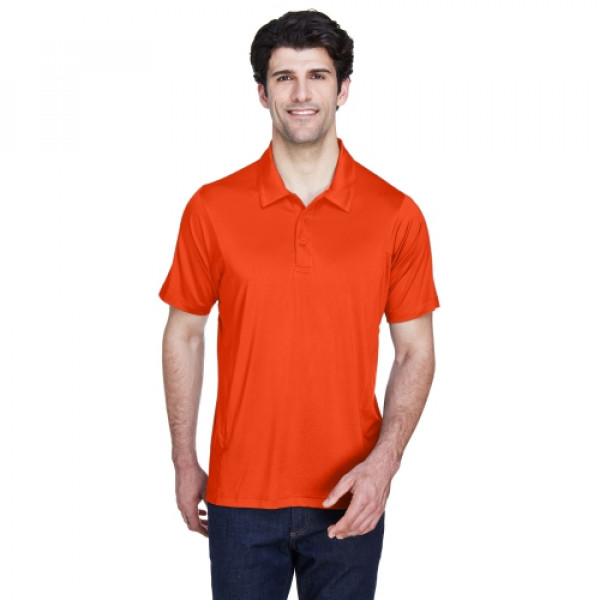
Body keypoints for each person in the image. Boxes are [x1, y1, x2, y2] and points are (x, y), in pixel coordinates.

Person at [159, 9, 439, 599]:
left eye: (318, 75)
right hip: (238, 496)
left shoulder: (396, 214)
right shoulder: (212, 208)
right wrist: (184, 459)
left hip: (350, 492)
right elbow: (184, 333)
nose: (302, 93)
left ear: (343, 89)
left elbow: (415, 351)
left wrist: (384, 463)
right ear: (262, 93)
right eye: (284, 77)